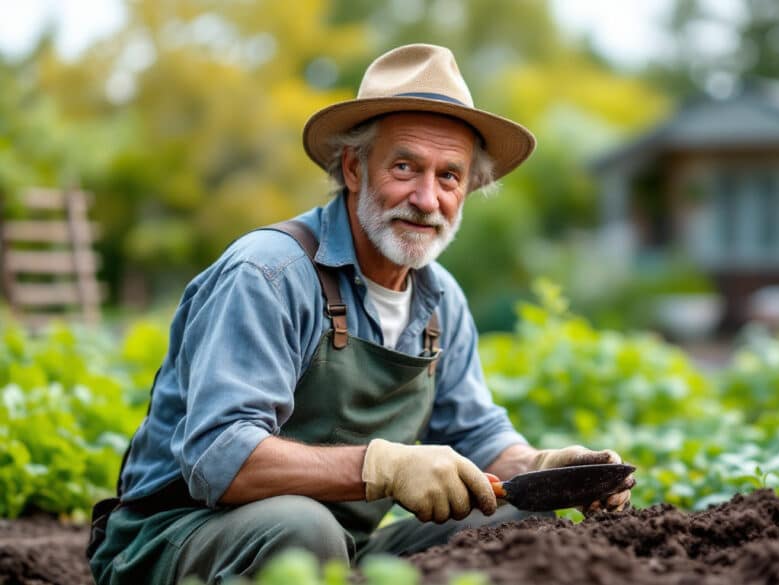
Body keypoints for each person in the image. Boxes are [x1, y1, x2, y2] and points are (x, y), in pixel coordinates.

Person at [87, 43, 633, 585]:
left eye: (449, 176)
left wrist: (542, 469)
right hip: (178, 536)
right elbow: (219, 457)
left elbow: (478, 433)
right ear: (354, 168)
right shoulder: (269, 275)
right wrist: (383, 467)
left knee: (521, 522)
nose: (426, 197)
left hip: (341, 547)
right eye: (405, 167)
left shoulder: (440, 300)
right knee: (304, 531)